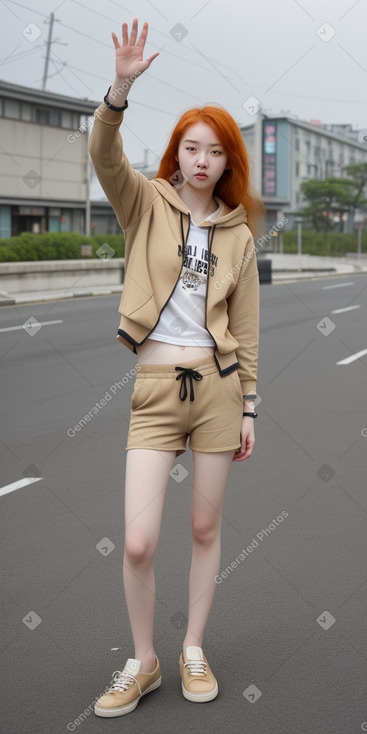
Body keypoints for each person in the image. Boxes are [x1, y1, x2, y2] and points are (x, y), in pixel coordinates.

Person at [88, 18, 265, 717]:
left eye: (213, 152)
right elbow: (104, 155)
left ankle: (192, 645)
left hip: (218, 391)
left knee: (202, 530)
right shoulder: (144, 203)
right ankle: (144, 659)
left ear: (226, 164)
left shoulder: (239, 234)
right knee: (136, 539)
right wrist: (120, 89)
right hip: (157, 387)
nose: (199, 160)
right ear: (176, 154)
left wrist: (249, 405)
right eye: (190, 148)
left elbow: (245, 330)